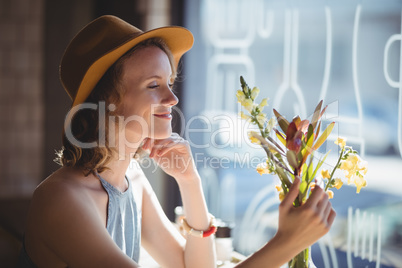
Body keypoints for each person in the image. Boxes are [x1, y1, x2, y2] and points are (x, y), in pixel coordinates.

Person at [17, 15, 336, 268]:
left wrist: (190, 182)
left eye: (169, 83)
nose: (172, 98)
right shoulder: (62, 200)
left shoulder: (133, 182)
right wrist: (287, 245)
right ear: (106, 103)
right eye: (154, 84)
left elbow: (194, 267)